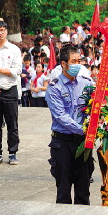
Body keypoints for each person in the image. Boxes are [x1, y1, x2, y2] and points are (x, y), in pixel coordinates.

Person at [45, 44, 94, 204]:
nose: (78, 65)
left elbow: (95, 106)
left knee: (83, 190)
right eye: (74, 61)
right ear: (64, 64)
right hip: (63, 143)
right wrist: (83, 130)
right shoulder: (54, 87)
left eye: (79, 60)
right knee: (63, 190)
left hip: (82, 144)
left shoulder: (86, 83)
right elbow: (60, 116)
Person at [0, 20, 23, 166]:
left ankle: (13, 152)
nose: (0, 33)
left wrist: (1, 70)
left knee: (12, 123)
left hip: (10, 90)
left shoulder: (14, 49)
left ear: (7, 31)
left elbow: (17, 71)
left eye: (2, 30)